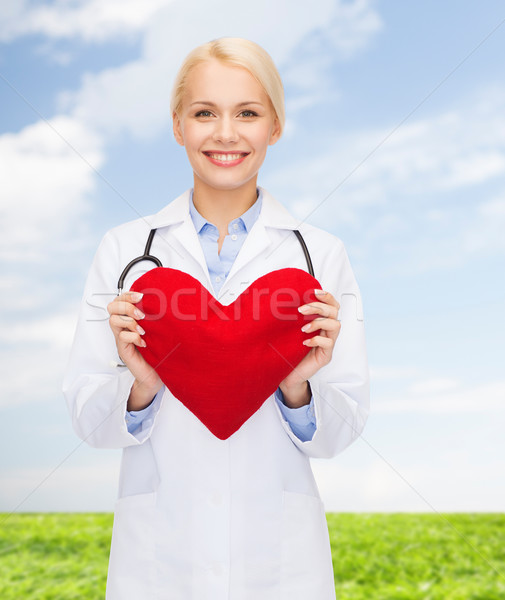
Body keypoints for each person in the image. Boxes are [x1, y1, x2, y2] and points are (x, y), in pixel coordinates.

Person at [63, 37, 369, 600]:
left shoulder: (320, 256)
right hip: (161, 561)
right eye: (205, 113)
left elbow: (342, 429)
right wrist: (143, 381)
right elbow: (88, 416)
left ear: (275, 126)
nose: (225, 133)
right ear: (178, 125)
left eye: (247, 113)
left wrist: (297, 383)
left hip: (279, 564)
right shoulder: (124, 250)